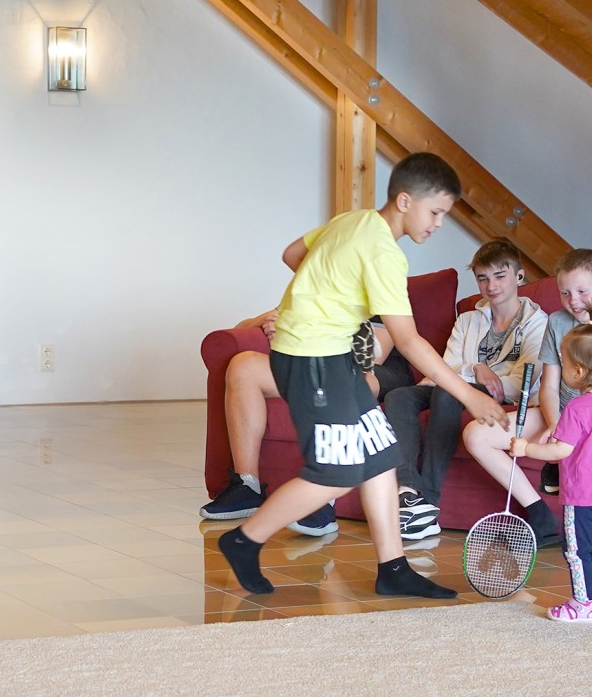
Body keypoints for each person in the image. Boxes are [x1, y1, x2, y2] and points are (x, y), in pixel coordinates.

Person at [214, 152, 506, 598]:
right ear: (405, 201)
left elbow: (293, 254)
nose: (439, 223)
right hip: (312, 360)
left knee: (380, 452)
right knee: (336, 471)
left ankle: (393, 568)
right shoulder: (385, 254)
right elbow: (409, 342)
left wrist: (331, 294)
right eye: (436, 212)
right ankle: (244, 539)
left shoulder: (353, 221)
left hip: (331, 358)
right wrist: (469, 396)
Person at [463, 248, 592, 559]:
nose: (573, 300)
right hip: (565, 414)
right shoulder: (557, 321)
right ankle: (540, 516)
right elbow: (549, 386)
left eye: (582, 291)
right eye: (565, 293)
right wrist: (556, 425)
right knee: (476, 434)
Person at [384, 238, 547, 541]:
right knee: (398, 395)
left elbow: (524, 376)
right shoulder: (469, 320)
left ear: (519, 277)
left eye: (500, 276)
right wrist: (475, 369)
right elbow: (447, 366)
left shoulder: (538, 323)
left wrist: (480, 380)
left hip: (501, 395)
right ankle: (409, 492)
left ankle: (430, 499)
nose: (491, 285)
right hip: (458, 384)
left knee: (448, 392)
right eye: (483, 278)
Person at [199, 313, 395, 537]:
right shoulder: (305, 291)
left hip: (367, 372)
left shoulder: (373, 297)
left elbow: (370, 356)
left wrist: (293, 331)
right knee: (244, 366)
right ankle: (247, 485)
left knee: (339, 377)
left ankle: (323, 499)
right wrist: (267, 319)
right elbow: (240, 326)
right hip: (309, 362)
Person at [511, 325, 592, 624]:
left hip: (583, 497)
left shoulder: (576, 408)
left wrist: (525, 448)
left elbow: (559, 451)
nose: (561, 368)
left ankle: (581, 604)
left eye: (563, 363)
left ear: (579, 371)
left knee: (576, 551)